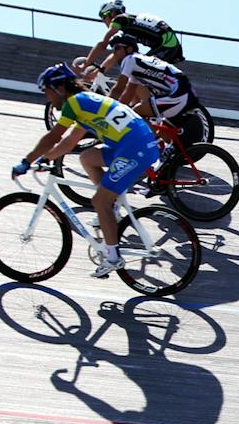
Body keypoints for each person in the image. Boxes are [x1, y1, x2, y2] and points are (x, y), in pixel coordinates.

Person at [14, 63, 161, 277]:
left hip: (135, 149)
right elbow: (70, 141)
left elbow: (53, 137)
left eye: (47, 91)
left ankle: (113, 257)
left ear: (59, 88)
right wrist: (47, 158)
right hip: (132, 145)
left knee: (100, 201)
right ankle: (112, 210)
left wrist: (27, 161)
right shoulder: (84, 102)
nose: (47, 98)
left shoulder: (74, 103)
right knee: (87, 157)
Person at [83, 0, 183, 67]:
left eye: (103, 16)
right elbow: (118, 52)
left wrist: (86, 64)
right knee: (135, 69)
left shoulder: (119, 19)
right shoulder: (129, 25)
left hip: (167, 44)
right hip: (170, 44)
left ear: (112, 13)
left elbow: (103, 43)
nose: (104, 21)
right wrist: (101, 69)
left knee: (138, 70)